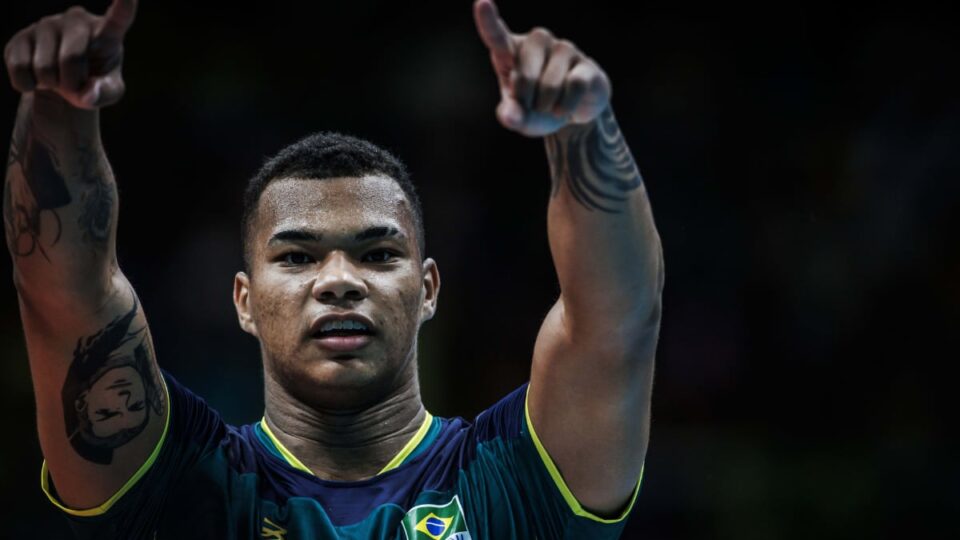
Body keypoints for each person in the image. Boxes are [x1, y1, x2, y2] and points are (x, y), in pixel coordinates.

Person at [2, 0, 664, 537]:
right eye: (297, 257)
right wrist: (59, 107)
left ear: (428, 289)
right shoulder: (179, 483)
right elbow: (66, 301)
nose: (340, 280)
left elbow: (617, 319)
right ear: (244, 301)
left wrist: (582, 129)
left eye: (379, 254)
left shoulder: (514, 477)